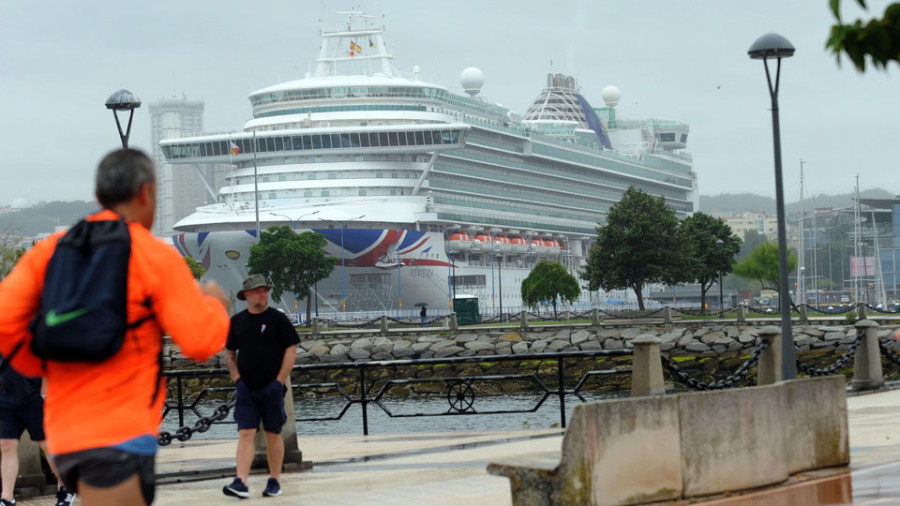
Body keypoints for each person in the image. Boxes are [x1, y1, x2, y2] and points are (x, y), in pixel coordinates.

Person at [0, 148, 231, 506]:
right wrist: (216, 305)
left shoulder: (50, 251)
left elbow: (4, 320)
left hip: (65, 434)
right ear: (146, 192)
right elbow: (199, 343)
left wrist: (44, 364)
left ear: (99, 197)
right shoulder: (154, 257)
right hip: (121, 433)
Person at [223, 274, 299, 499]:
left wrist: (279, 381)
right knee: (245, 432)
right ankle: (241, 482)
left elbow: (291, 349)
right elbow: (229, 353)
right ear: (246, 295)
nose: (263, 293)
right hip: (247, 388)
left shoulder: (278, 319)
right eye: (258, 290)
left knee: (274, 433)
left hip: (272, 388)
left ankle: (274, 480)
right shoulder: (237, 321)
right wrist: (237, 379)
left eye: (265, 290)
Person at [0, 365, 74, 506]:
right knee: (7, 445)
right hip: (7, 398)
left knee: (45, 443)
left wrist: (46, 393)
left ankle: (65, 488)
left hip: (34, 396)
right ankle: (7, 498)